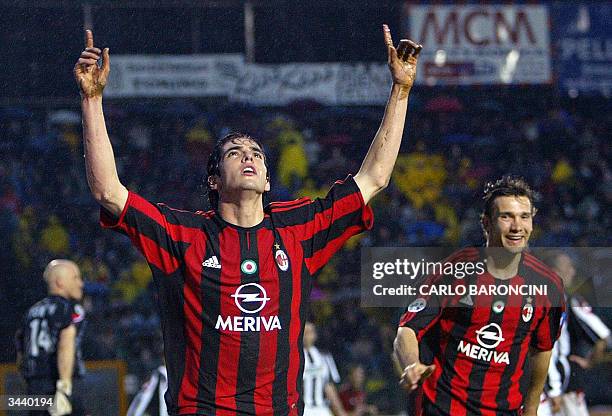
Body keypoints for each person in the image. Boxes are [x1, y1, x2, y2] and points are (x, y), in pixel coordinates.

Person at [74, 26, 422, 415]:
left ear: (268, 178)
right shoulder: (184, 234)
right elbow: (107, 191)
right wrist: (92, 99)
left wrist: (401, 90)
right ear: (214, 179)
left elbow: (373, 178)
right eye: (235, 153)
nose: (249, 157)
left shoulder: (297, 228)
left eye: (256, 153)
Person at [394, 176, 566, 416]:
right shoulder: (453, 271)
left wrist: (532, 408)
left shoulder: (548, 286)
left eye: (524, 217)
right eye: (506, 217)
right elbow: (407, 329)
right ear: (486, 223)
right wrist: (412, 365)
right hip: (441, 408)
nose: (517, 227)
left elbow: (543, 349)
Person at [538, 251, 610, 416]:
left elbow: (603, 337)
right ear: (553, 271)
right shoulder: (556, 301)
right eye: (568, 268)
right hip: (552, 382)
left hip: (555, 381)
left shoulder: (566, 300)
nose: (573, 272)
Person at [15, 260, 86, 416]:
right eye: (76, 278)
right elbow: (65, 343)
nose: (81, 283)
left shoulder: (32, 312)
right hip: (59, 383)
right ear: (60, 282)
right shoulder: (70, 308)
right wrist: (65, 386)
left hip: (34, 387)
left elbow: (21, 352)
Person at [302, 322, 347, 416]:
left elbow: (329, 387)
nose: (306, 336)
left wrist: (340, 412)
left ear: (314, 335)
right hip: (302, 410)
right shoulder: (293, 358)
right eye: (304, 333)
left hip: (321, 408)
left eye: (309, 332)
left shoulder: (324, 357)